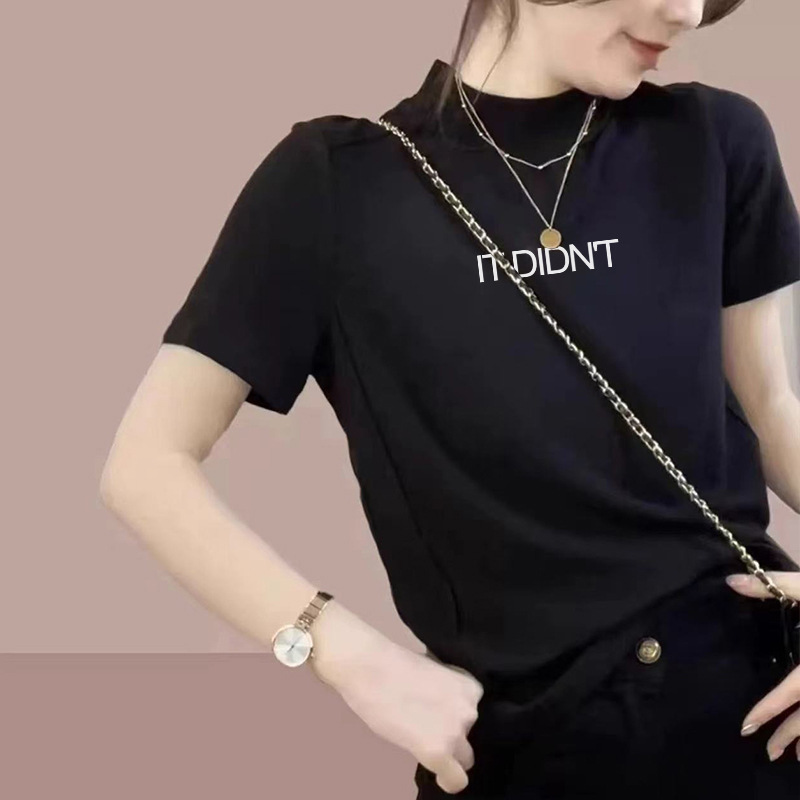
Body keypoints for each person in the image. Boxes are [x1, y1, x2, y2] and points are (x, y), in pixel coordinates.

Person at [99, 0, 800, 797]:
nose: (687, 12)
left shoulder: (714, 140)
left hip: (759, 720)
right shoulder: (338, 182)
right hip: (534, 749)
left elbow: (774, 410)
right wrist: (347, 654)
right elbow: (144, 467)